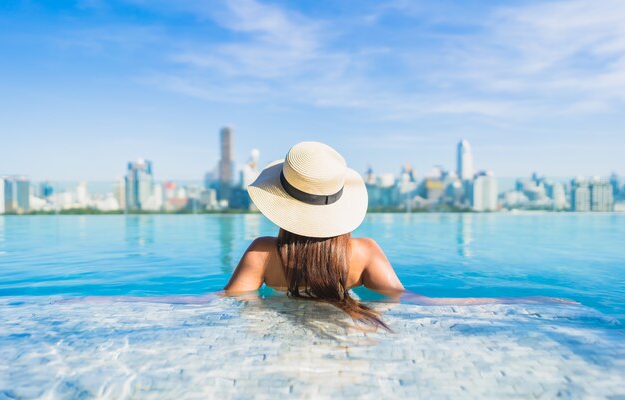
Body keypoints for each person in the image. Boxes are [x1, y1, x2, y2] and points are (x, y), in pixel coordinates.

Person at [224, 141, 569, 328]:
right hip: (349, 332)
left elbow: (228, 300)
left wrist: (169, 301)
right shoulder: (364, 252)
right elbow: (413, 300)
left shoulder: (263, 253)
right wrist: (511, 304)